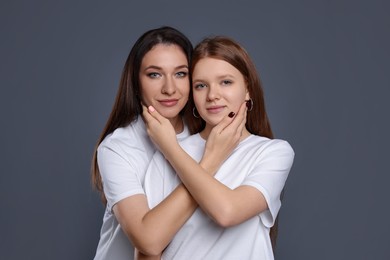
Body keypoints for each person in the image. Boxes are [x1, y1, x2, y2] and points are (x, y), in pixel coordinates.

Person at [91, 27, 246, 260]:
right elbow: (148, 241)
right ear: (135, 82)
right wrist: (211, 159)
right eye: (154, 74)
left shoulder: (205, 133)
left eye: (181, 74)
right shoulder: (117, 148)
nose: (170, 88)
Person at [143, 36, 295, 259]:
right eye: (201, 85)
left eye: (225, 82)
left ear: (247, 89)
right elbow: (147, 249)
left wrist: (170, 148)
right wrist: (172, 149)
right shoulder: (163, 157)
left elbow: (227, 212)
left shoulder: (273, 152)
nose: (212, 95)